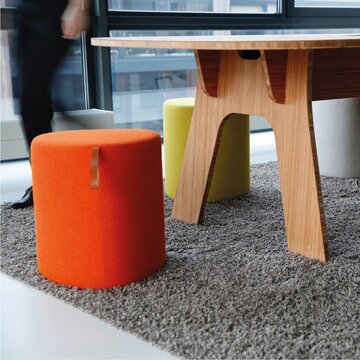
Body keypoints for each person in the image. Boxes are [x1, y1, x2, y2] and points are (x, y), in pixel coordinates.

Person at [10, 0, 91, 209]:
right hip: (24, 10)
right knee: (29, 100)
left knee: (33, 96)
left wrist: (77, 7)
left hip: (53, 11)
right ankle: (44, 180)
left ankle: (47, 182)